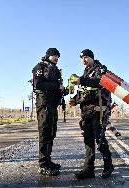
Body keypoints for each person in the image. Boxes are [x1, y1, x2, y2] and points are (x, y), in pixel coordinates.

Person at [70, 49, 114, 179]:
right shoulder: (85, 73)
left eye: (86, 57)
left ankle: (108, 166)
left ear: (92, 58)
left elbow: (99, 82)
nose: (84, 60)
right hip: (86, 111)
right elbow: (84, 92)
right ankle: (88, 170)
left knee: (99, 140)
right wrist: (75, 100)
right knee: (88, 141)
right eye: (82, 58)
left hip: (98, 110)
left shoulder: (100, 68)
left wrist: (81, 81)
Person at [32, 48, 65, 176]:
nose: (57, 58)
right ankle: (43, 165)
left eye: (58, 56)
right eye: (54, 55)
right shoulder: (40, 67)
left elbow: (56, 86)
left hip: (53, 105)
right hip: (44, 104)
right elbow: (38, 84)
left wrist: (63, 90)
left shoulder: (55, 69)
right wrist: (57, 86)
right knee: (45, 134)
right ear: (48, 56)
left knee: (51, 133)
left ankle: (48, 160)